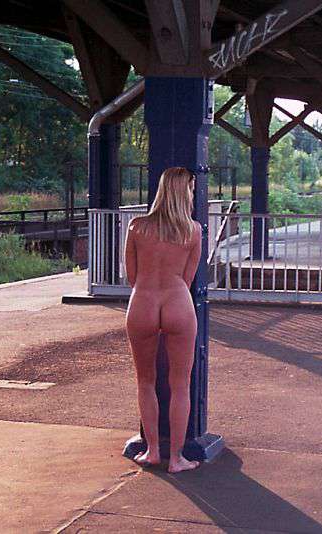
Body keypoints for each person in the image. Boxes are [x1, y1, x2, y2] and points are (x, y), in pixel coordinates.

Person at [124, 167, 202, 473]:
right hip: (177, 302)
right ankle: (177, 459)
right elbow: (188, 278)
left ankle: (153, 451)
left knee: (146, 381)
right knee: (180, 384)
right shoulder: (192, 231)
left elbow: (132, 276)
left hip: (143, 302)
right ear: (185, 192)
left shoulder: (137, 227)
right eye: (191, 189)